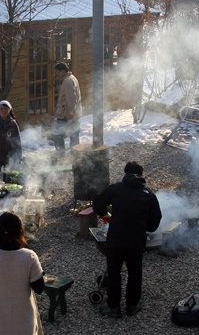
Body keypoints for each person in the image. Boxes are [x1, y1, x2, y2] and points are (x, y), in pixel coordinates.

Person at [92, 161, 162, 318]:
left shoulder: (116, 188)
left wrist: (105, 214)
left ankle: (114, 307)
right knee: (135, 272)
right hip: (136, 240)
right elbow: (154, 223)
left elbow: (97, 205)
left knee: (114, 271)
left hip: (116, 238)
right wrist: (144, 226)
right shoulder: (149, 194)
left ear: (125, 173)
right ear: (141, 175)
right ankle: (132, 306)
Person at [53, 62, 81, 151]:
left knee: (57, 134)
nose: (56, 74)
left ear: (63, 71)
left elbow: (72, 99)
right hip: (68, 113)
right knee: (74, 135)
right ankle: (75, 155)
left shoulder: (68, 81)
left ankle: (61, 154)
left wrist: (72, 113)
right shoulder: (71, 78)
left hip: (67, 114)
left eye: (57, 72)